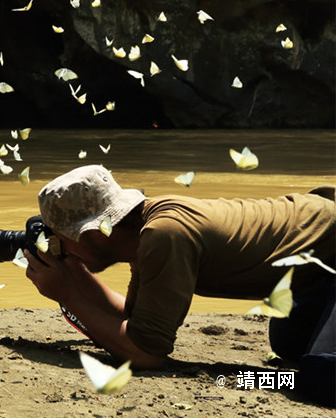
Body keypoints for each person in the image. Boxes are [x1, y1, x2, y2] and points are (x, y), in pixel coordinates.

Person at [23, 164, 335, 406]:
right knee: (288, 344)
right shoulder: (145, 230)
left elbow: (147, 354)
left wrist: (67, 294)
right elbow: (133, 325)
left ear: (93, 232)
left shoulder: (165, 233)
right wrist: (74, 276)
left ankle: (270, 378)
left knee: (320, 376)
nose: (58, 247)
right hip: (320, 273)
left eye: (61, 239)